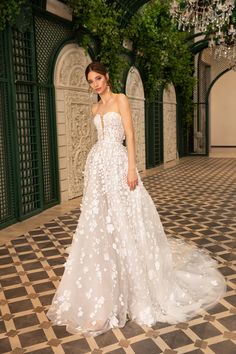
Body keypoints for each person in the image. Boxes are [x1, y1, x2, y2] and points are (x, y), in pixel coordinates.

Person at [47, 61, 226, 336]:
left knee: (125, 218)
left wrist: (132, 168)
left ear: (106, 77)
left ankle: (138, 287)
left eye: (97, 78)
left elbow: (130, 135)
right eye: (90, 81)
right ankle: (106, 286)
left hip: (119, 164)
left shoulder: (120, 99)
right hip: (98, 167)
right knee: (100, 222)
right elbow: (100, 138)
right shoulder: (94, 108)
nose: (95, 84)